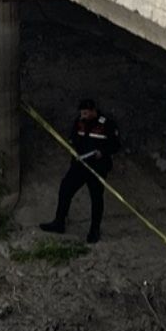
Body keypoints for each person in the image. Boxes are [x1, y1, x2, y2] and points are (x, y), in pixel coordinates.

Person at [40, 100, 122, 244]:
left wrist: (102, 152)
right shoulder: (79, 122)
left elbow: (116, 145)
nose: (83, 115)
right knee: (65, 189)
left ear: (93, 111)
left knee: (96, 198)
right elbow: (73, 138)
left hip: (97, 167)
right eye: (81, 113)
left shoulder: (107, 124)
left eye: (85, 113)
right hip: (80, 165)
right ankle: (59, 222)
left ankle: (94, 231)